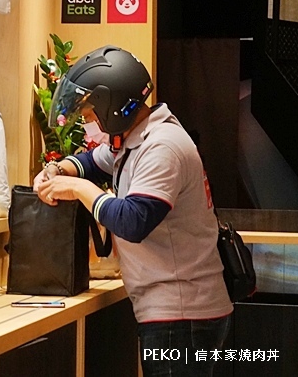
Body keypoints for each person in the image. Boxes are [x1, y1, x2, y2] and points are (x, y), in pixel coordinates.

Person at [33, 45, 232, 377]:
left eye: (90, 115)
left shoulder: (162, 147)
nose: (90, 124)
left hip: (183, 317)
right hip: (177, 312)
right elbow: (93, 163)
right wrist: (60, 170)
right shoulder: (137, 140)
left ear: (112, 106)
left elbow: (133, 221)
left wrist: (80, 190)